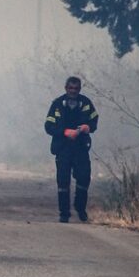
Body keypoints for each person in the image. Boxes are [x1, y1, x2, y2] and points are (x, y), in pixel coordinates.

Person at [44, 76, 99, 223]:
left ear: (79, 89)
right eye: (70, 88)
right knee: (63, 181)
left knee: (84, 178)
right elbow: (48, 126)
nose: (73, 91)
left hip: (81, 147)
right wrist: (64, 132)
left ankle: (80, 208)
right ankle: (64, 213)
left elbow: (94, 121)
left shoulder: (86, 103)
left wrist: (88, 127)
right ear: (66, 88)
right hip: (63, 148)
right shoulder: (57, 104)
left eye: (76, 88)